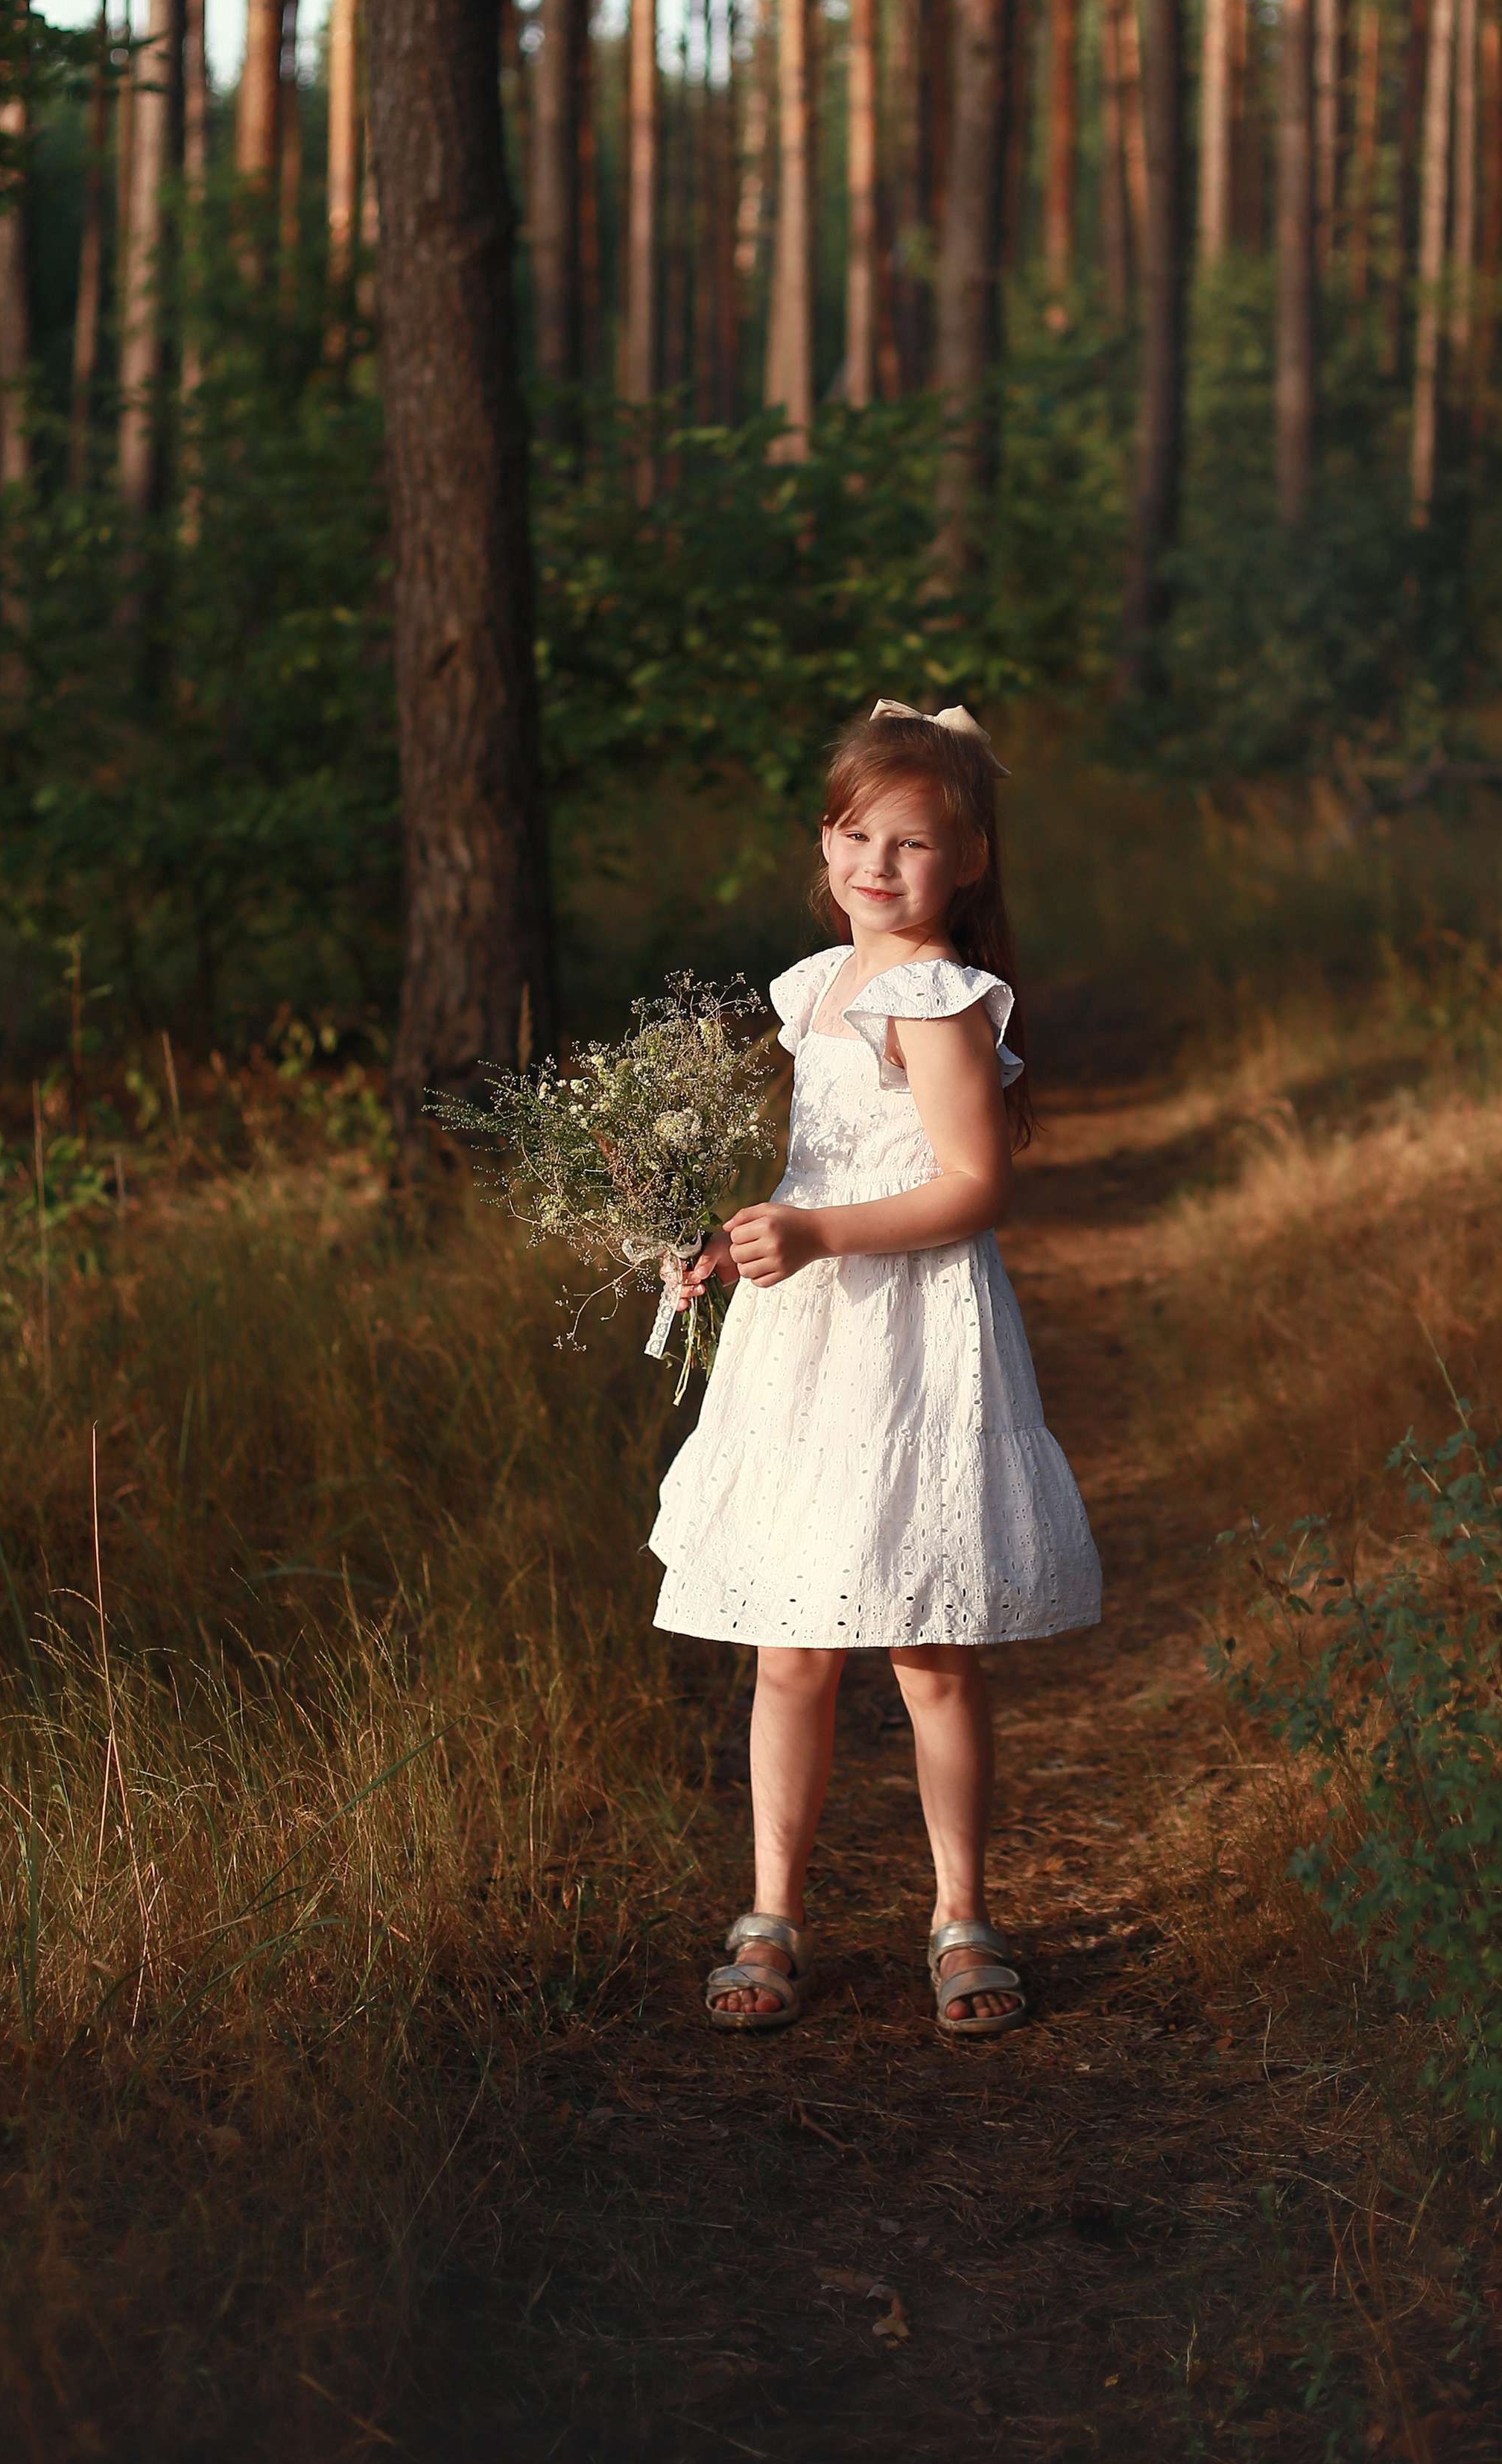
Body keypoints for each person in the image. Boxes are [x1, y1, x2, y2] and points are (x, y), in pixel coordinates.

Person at [647, 700, 1102, 2037]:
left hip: (911, 1344)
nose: (878, 866)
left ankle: (961, 1914)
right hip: (812, 1349)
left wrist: (819, 1233)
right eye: (857, 834)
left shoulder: (938, 1000)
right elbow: (817, 1171)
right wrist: (733, 1247)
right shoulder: (816, 987)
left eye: (912, 844)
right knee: (789, 1648)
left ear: (966, 863)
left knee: (928, 1646)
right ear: (825, 841)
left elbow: (974, 1185)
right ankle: (770, 1912)